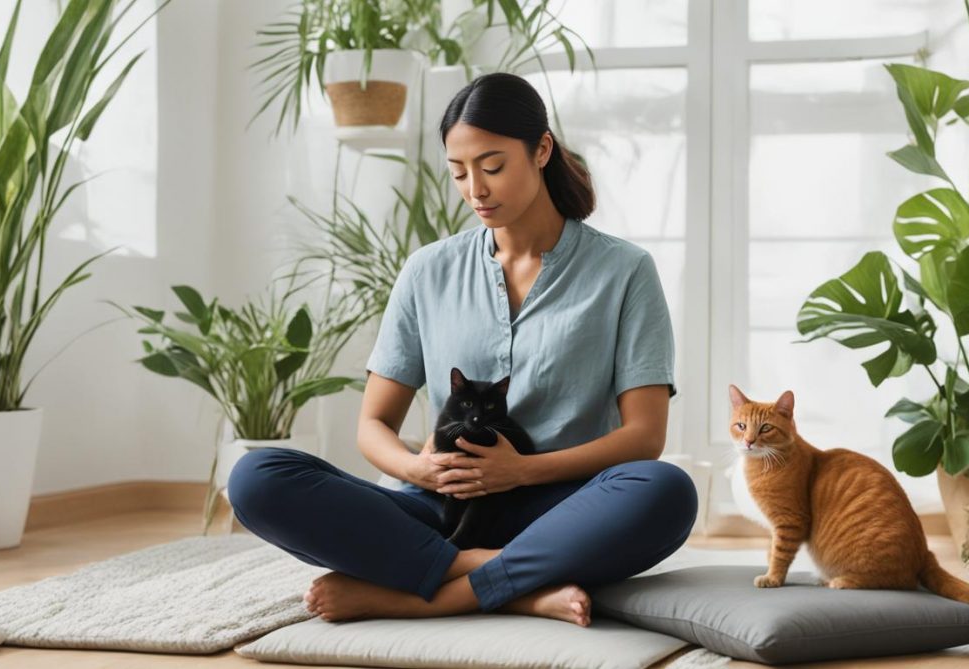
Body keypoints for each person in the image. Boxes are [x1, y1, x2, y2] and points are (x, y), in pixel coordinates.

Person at [227, 72, 697, 626]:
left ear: (541, 149)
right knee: (257, 477)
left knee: (665, 490)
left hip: (562, 510)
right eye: (459, 172)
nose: (475, 189)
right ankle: (505, 578)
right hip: (436, 507)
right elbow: (373, 425)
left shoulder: (624, 271)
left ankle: (425, 592)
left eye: (492, 166)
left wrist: (520, 472)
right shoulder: (428, 270)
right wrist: (418, 469)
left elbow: (645, 437)